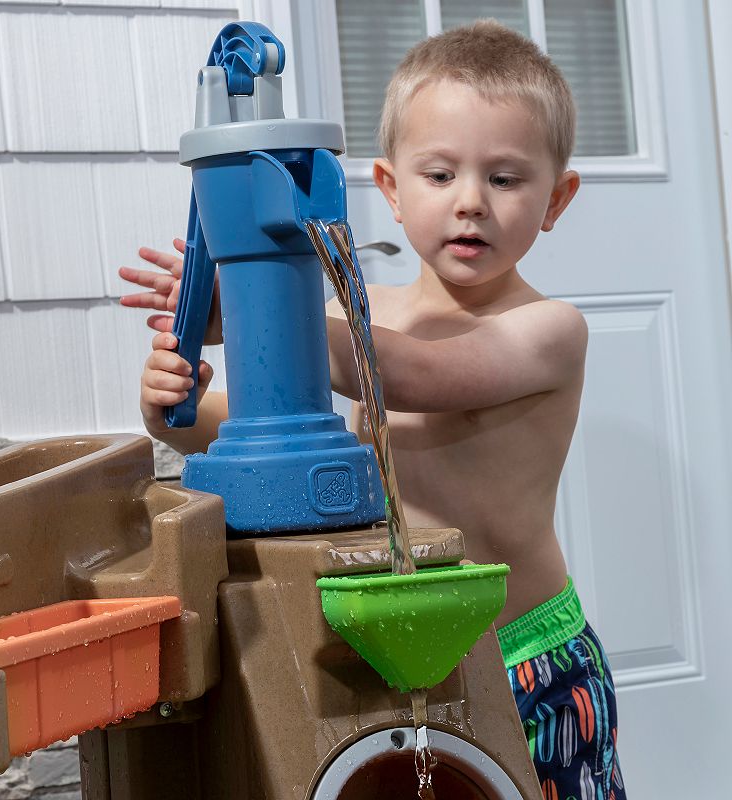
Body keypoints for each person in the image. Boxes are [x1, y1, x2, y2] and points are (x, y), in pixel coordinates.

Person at [119, 20, 625, 799]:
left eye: (505, 178)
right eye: (440, 174)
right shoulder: (366, 311)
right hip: (392, 647)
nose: (470, 204)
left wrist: (266, 310)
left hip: (526, 656)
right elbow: (274, 417)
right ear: (390, 188)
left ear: (557, 198)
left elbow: (416, 376)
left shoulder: (549, 332)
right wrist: (173, 409)